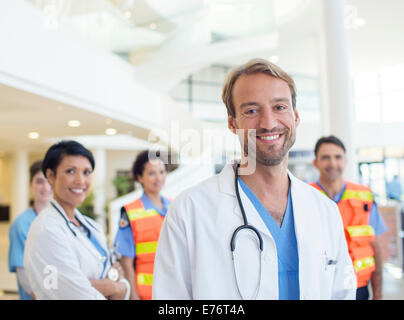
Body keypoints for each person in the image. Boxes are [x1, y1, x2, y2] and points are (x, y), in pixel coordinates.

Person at [152, 59, 356, 300]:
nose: (268, 123)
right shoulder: (189, 211)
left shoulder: (324, 211)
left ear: (296, 116)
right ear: (232, 123)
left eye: (280, 107)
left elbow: (342, 293)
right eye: (251, 110)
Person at [24, 140, 130, 299]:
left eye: (87, 172)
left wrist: (113, 286)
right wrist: (114, 287)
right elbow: (74, 294)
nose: (81, 181)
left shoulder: (92, 226)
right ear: (51, 176)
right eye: (70, 171)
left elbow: (118, 276)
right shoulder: (47, 231)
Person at [311, 135, 387, 300]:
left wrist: (378, 293)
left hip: (358, 287)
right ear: (315, 163)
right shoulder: (304, 197)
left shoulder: (364, 196)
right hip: (318, 287)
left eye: (337, 157)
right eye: (325, 157)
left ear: (345, 161)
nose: (332, 163)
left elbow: (375, 247)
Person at [114, 150, 170, 300]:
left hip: (174, 291)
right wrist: (133, 296)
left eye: (162, 172)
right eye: (151, 173)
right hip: (146, 294)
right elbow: (126, 260)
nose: (158, 178)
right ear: (140, 177)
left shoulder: (175, 206)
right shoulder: (130, 212)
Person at [8, 160, 53, 299]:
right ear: (30, 185)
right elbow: (24, 275)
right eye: (39, 181)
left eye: (49, 181)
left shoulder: (62, 219)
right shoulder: (21, 224)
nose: (45, 187)